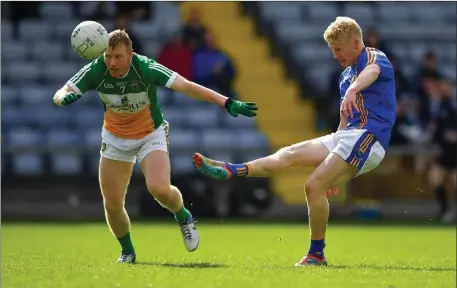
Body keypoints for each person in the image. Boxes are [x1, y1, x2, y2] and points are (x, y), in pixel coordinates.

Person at [193, 17, 396, 266]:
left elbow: (372, 73)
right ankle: (231, 169)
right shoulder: (345, 77)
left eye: (339, 50)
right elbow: (345, 122)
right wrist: (334, 166)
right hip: (348, 136)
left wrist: (354, 89)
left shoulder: (374, 57)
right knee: (287, 154)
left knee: (313, 186)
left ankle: (316, 255)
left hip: (370, 138)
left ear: (356, 43)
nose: (335, 56)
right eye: (332, 51)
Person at [52, 30, 258, 263]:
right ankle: (127, 252)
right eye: (108, 56)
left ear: (130, 54)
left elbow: (187, 86)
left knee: (159, 189)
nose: (112, 62)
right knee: (112, 204)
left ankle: (183, 216)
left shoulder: (146, 68)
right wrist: (63, 98)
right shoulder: (97, 69)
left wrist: (226, 102)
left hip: (150, 134)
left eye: (118, 57)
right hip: (114, 139)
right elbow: (62, 91)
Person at [428, 78, 456, 223]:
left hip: (453, 151)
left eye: (446, 86)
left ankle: (448, 211)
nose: (443, 88)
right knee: (435, 180)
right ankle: (445, 210)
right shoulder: (438, 105)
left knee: (453, 182)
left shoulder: (452, 106)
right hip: (443, 150)